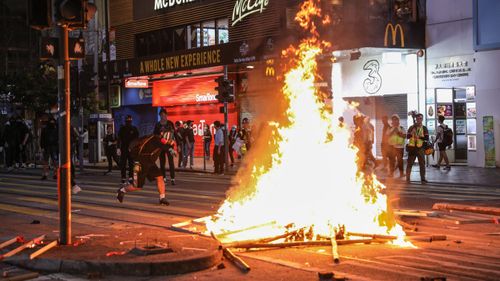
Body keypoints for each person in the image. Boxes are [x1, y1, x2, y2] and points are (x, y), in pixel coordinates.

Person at [116, 134, 170, 205]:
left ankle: (162, 198)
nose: (168, 140)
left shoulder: (155, 138)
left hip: (150, 163)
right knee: (137, 186)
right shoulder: (155, 140)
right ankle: (121, 190)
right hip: (140, 163)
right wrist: (172, 149)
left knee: (160, 177)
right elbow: (165, 147)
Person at [153, 108, 176, 185]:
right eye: (161, 115)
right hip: (161, 146)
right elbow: (154, 135)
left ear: (166, 115)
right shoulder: (158, 125)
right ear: (160, 116)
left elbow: (175, 134)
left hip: (170, 146)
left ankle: (172, 178)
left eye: (164, 115)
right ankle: (164, 178)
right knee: (162, 163)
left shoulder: (170, 123)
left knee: (171, 162)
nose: (163, 116)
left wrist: (178, 145)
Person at [406, 113, 429, 183]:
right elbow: (407, 137)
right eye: (418, 118)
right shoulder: (411, 127)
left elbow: (427, 138)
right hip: (412, 148)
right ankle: (407, 179)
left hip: (420, 148)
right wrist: (411, 133)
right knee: (409, 164)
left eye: (420, 118)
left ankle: (423, 178)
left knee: (422, 164)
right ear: (416, 119)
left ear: (422, 119)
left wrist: (419, 137)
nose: (419, 120)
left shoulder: (424, 128)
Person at [118, 115, 139, 183]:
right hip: (124, 148)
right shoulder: (122, 129)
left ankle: (130, 177)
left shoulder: (134, 129)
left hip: (131, 149)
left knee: (131, 163)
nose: (128, 121)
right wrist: (118, 148)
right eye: (127, 120)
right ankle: (123, 177)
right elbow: (119, 138)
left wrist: (136, 147)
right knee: (123, 163)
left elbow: (136, 139)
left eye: (130, 120)